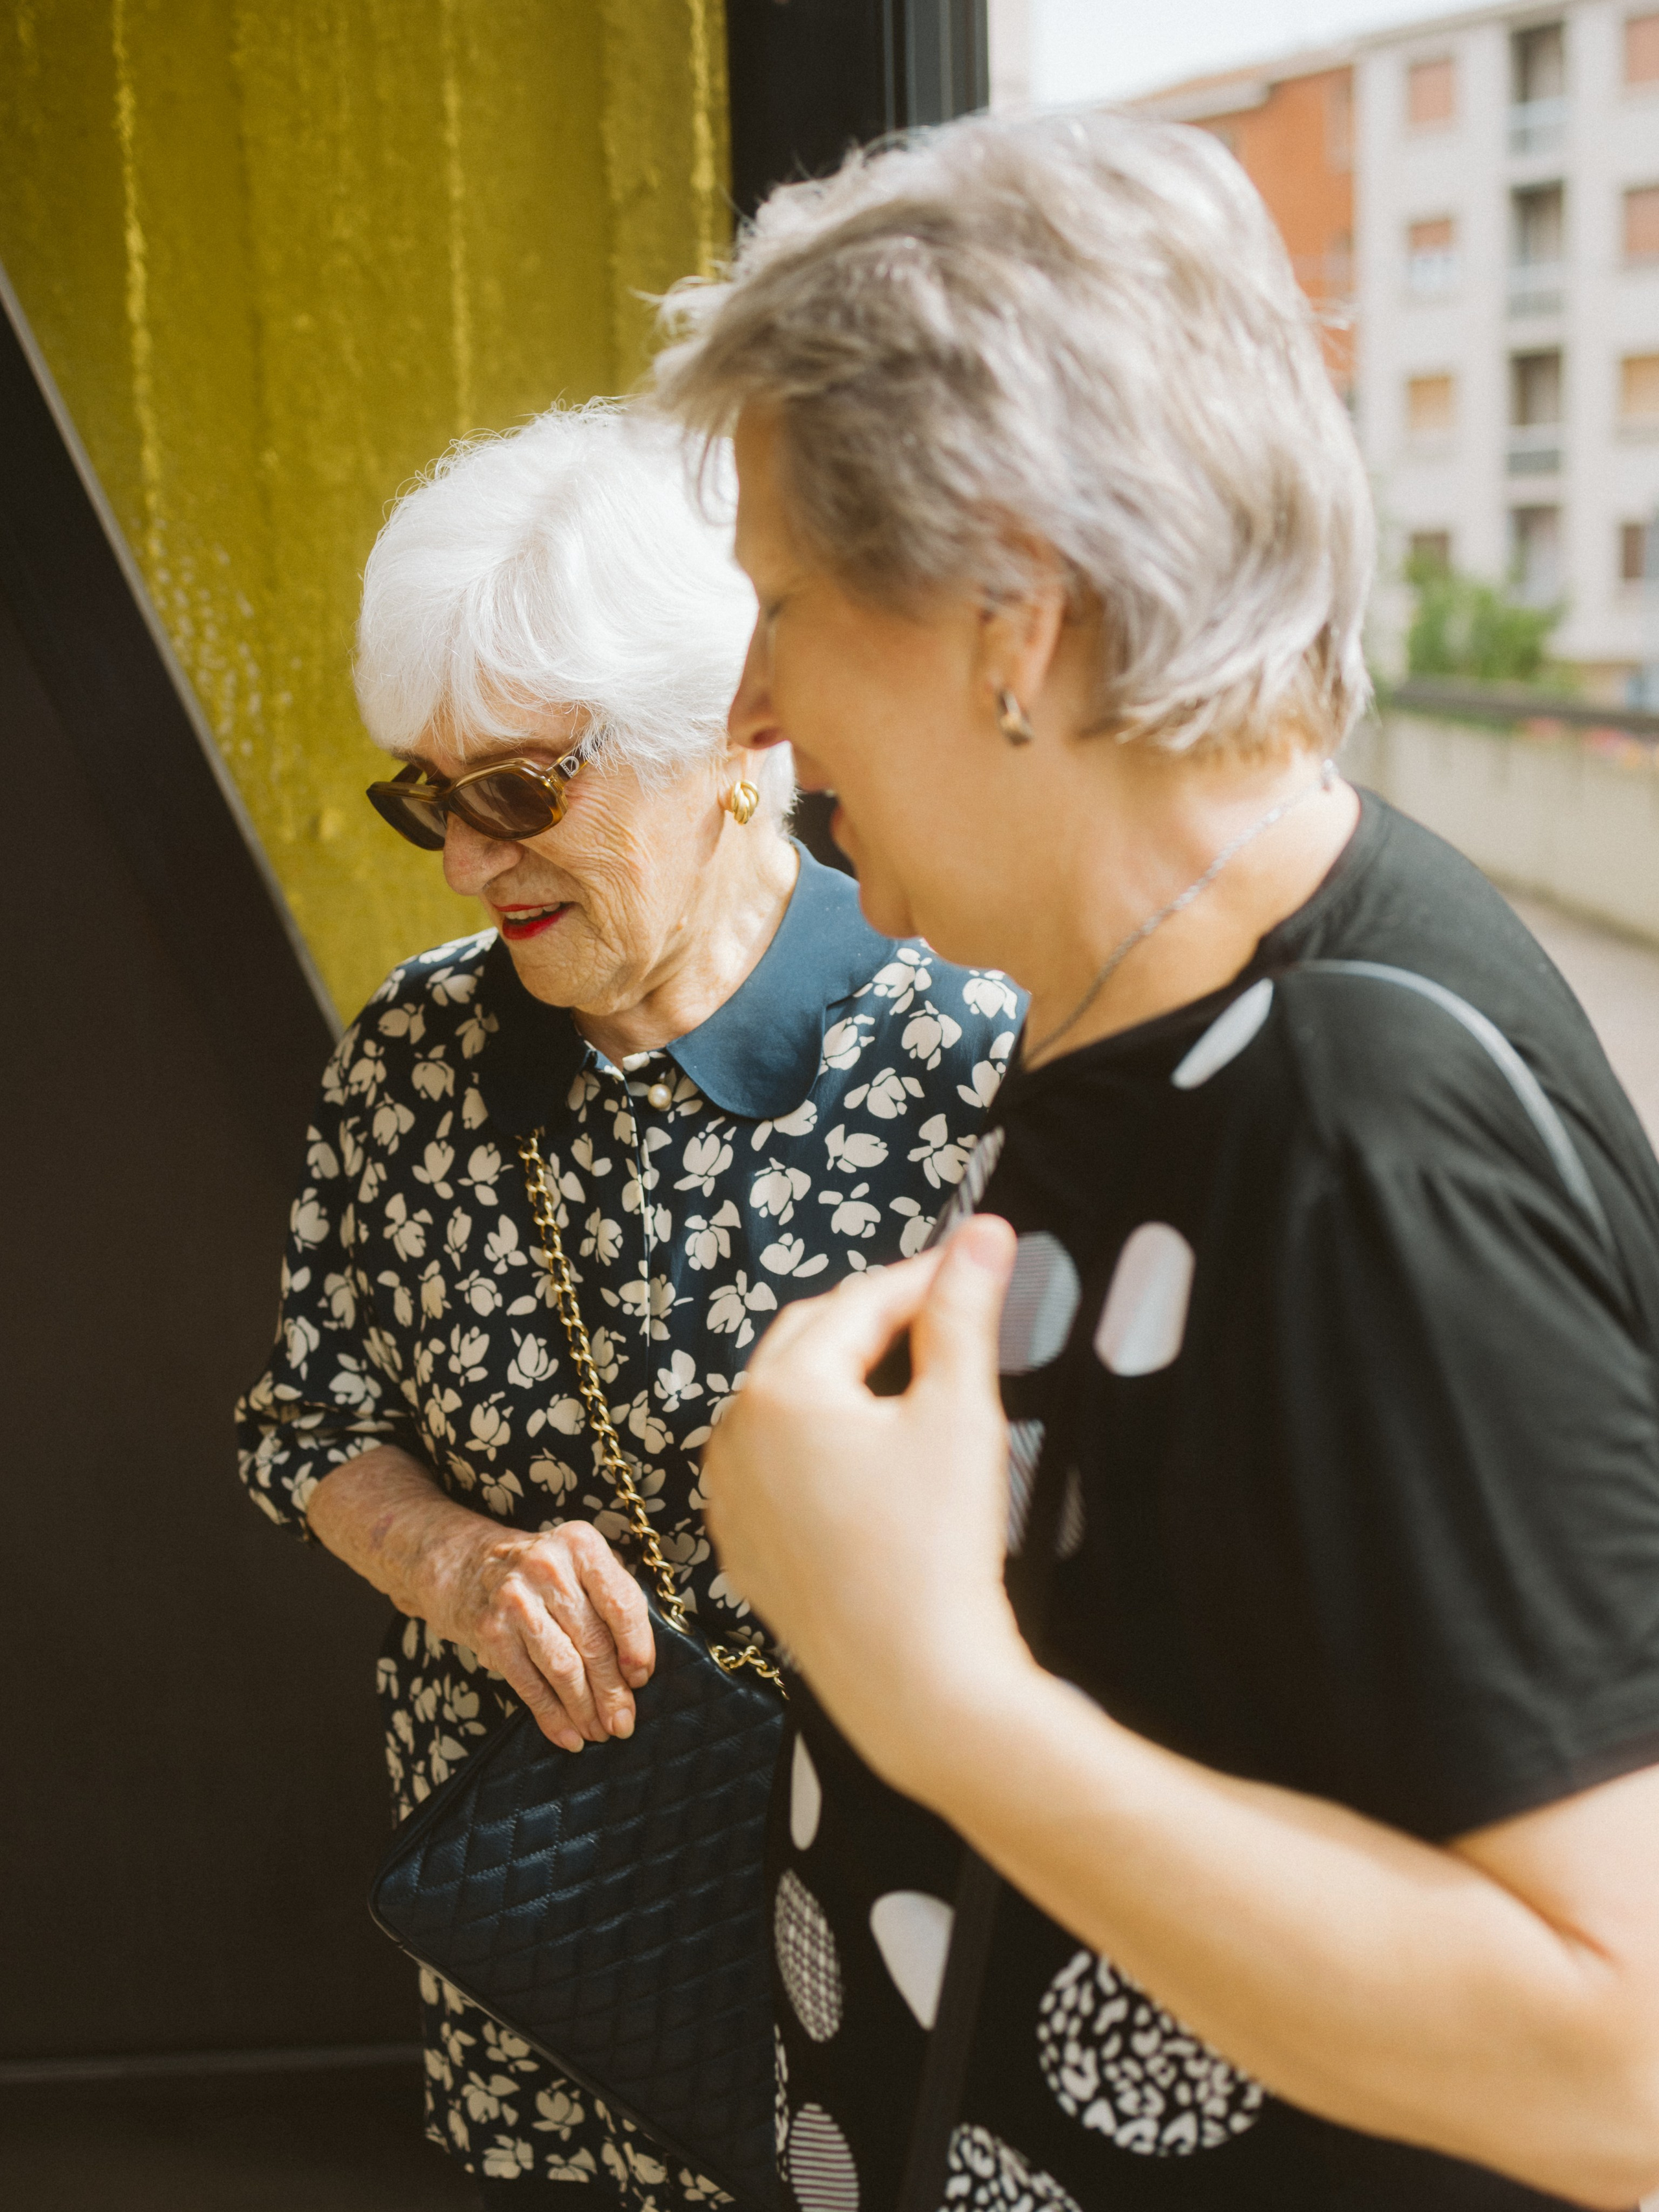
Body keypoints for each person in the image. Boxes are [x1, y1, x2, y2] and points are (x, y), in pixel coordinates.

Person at [655, 112, 1659, 2212]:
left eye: (783, 607)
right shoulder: (1154, 1005)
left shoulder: (1362, 1140)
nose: (749, 710)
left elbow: (1621, 2057)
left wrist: (931, 1693)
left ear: (1015, 612)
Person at [234, 401, 1021, 2207]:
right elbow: (307, 1423)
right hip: (570, 1915)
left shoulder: (964, 1055)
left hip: (886, 1898)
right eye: (426, 795)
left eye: (518, 789)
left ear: (731, 739)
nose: (461, 860)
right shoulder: (415, 1048)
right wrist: (458, 1565)